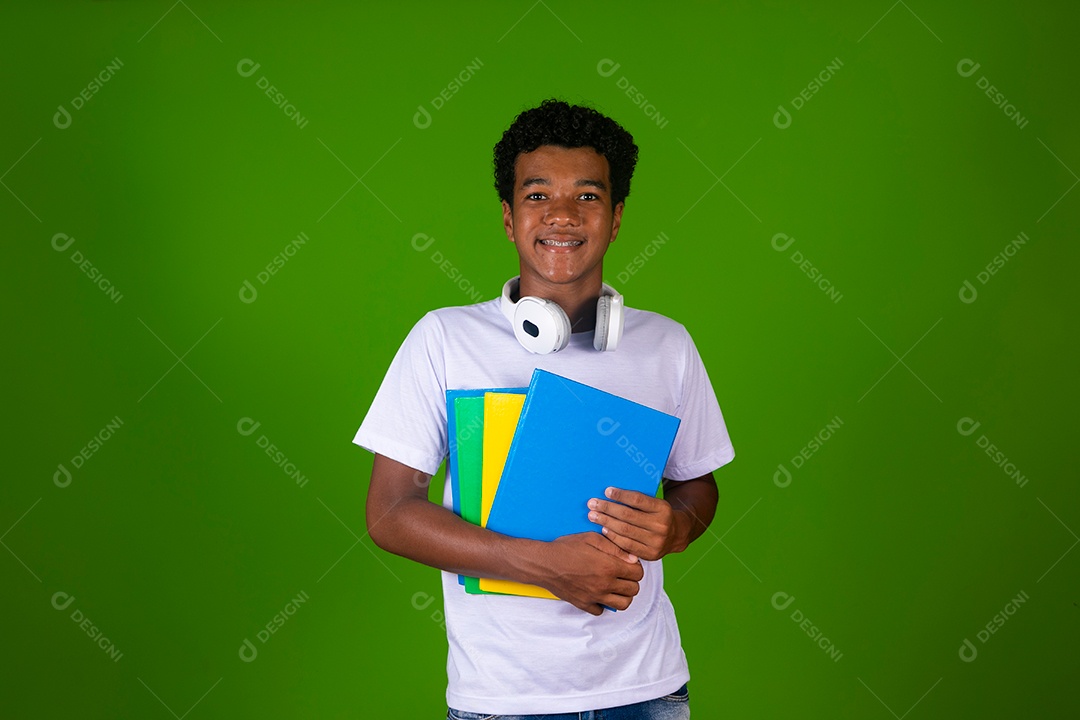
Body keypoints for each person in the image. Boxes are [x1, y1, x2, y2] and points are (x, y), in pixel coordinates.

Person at [355, 99, 735, 718]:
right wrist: (540, 565)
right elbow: (390, 512)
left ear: (615, 219)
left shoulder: (667, 344)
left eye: (587, 196)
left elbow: (698, 488)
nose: (561, 214)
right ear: (509, 219)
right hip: (500, 698)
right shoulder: (445, 339)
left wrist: (680, 525)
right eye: (537, 195)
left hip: (646, 691)